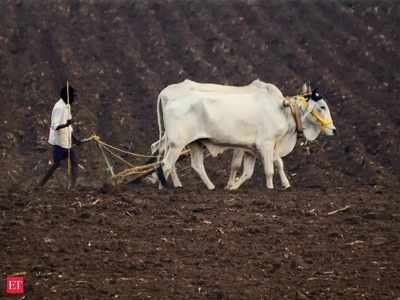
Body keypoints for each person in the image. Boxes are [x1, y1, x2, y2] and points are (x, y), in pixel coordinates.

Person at [38, 84, 84, 188]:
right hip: (59, 142)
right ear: (67, 96)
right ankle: (41, 184)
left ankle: (72, 186)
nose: (74, 99)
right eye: (73, 96)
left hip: (66, 141)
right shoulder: (59, 107)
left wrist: (75, 140)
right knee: (56, 164)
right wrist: (66, 124)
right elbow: (55, 126)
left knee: (74, 161)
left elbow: (69, 127)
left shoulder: (67, 106)